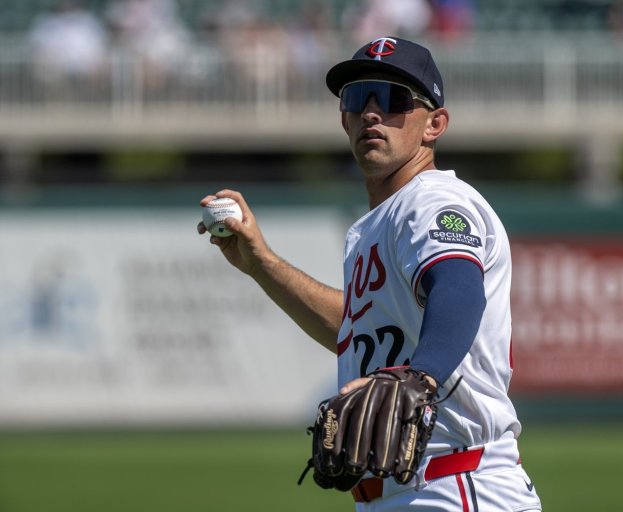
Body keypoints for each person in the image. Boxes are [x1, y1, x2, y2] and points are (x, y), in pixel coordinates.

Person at [198, 36, 543, 511]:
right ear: (344, 119)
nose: (372, 113)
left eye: (395, 99)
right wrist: (263, 264)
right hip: (412, 491)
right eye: (359, 98)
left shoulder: (434, 201)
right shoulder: (385, 219)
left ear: (434, 125)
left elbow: (458, 287)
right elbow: (356, 331)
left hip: (453, 486)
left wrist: (420, 378)